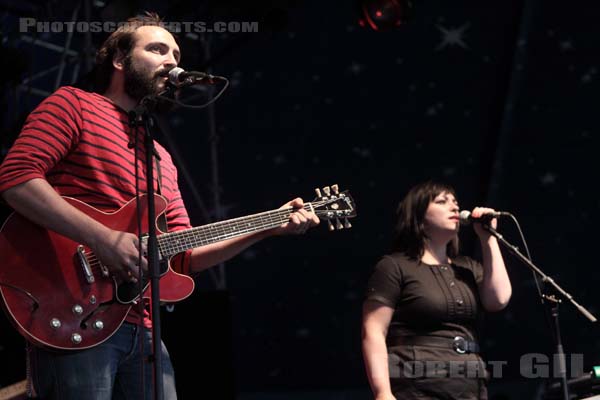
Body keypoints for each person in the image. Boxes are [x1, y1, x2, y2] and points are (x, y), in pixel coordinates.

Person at [0, 12, 319, 400]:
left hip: (145, 330)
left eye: (176, 53)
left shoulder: (161, 158)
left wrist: (270, 226)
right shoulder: (73, 105)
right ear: (120, 60)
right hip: (73, 314)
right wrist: (104, 239)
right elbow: (17, 177)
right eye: (157, 49)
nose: (172, 61)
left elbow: (186, 254)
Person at [361, 181, 512, 400]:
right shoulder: (395, 266)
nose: (454, 208)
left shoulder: (466, 268)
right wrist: (382, 392)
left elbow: (498, 299)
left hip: (469, 387)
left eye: (455, 202)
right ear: (418, 216)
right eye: (442, 201)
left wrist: (488, 238)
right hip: (417, 387)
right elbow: (373, 330)